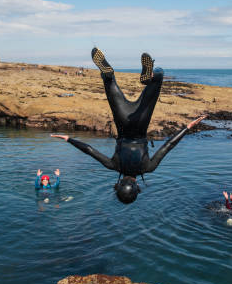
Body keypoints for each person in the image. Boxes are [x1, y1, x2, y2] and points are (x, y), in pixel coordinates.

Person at [51, 48, 206, 204]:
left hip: (141, 120)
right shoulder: (114, 165)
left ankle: (152, 76)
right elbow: (89, 150)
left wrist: (188, 127)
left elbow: (168, 145)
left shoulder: (148, 167)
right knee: (109, 82)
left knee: (159, 77)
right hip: (122, 120)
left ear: (137, 186)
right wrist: (68, 139)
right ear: (118, 184)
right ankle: (108, 74)